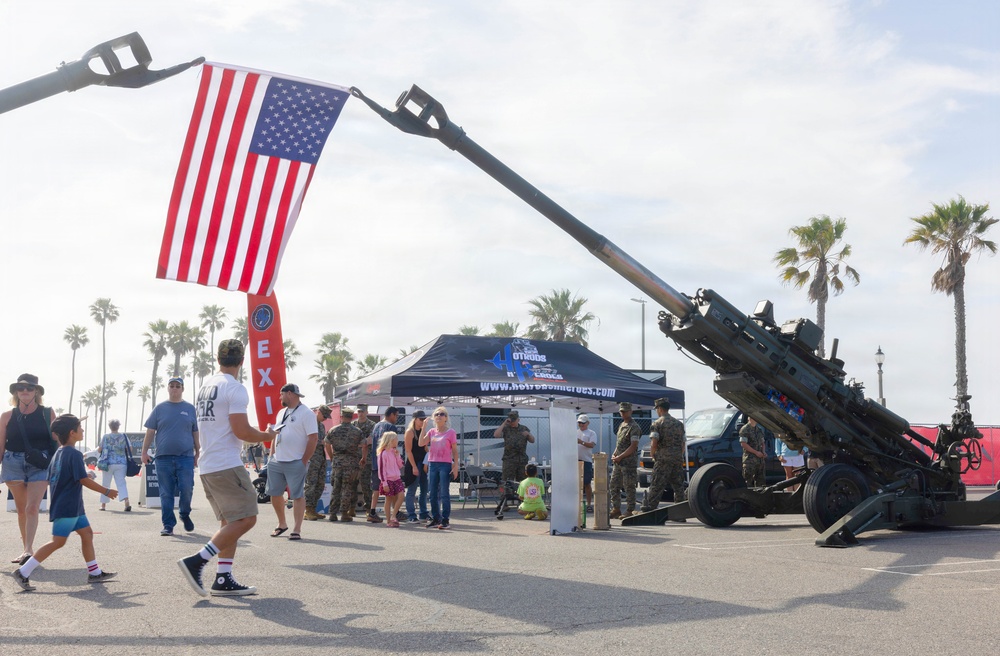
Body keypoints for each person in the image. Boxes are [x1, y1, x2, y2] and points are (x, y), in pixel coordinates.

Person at [177, 339, 275, 597]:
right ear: (242, 362)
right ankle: (197, 561)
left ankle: (223, 577)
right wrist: (267, 436)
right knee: (246, 518)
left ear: (217, 359)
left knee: (229, 521)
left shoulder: (207, 385)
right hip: (226, 463)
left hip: (209, 464)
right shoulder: (235, 389)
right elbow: (241, 431)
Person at [11, 414, 117, 591]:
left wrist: (83, 475)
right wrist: (106, 491)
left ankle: (95, 572)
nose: (82, 430)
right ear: (72, 433)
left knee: (87, 534)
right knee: (57, 542)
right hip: (68, 507)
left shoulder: (58, 454)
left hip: (71, 507)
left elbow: (61, 477)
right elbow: (83, 480)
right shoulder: (74, 454)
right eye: (79, 428)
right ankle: (23, 571)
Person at [0, 374, 59, 565]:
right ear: (16, 392)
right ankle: (28, 548)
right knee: (21, 510)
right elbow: (1, 445)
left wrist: (60, 465)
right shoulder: (6, 416)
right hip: (12, 462)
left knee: (32, 507)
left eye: (29, 388)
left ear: (37, 392)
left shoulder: (47, 413)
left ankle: (27, 551)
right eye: (21, 388)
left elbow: (57, 442)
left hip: (40, 463)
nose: (25, 391)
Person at [141, 376, 199, 537]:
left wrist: (198, 453)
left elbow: (195, 432)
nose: (174, 389)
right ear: (168, 388)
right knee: (166, 493)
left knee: (187, 489)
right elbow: (150, 431)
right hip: (163, 458)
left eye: (177, 386)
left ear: (182, 389)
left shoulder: (189, 408)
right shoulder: (159, 408)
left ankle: (184, 513)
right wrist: (144, 452)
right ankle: (168, 525)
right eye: (172, 386)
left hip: (185, 457)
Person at [266, 383, 318, 541]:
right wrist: (271, 455)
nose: (279, 397)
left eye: (281, 394)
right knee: (274, 494)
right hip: (277, 460)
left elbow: (313, 438)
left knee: (297, 495)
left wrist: (304, 460)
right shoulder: (281, 412)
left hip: (296, 460)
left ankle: (296, 529)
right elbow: (277, 434)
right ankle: (282, 524)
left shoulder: (306, 413)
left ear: (290, 394)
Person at [640, 398, 686, 516]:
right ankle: (680, 513)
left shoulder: (657, 424)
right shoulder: (679, 424)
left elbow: (654, 443)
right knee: (678, 486)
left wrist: (653, 455)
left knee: (657, 484)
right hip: (677, 458)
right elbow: (683, 444)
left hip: (663, 459)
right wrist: (678, 455)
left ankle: (650, 510)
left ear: (660, 409)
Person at [418, 406, 459, 529]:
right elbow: (421, 443)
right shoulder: (431, 432)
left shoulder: (450, 432)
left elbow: (455, 451)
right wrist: (423, 428)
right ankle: (436, 518)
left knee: (444, 493)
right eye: (436, 414)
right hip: (433, 464)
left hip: (445, 464)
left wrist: (455, 465)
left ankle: (445, 519)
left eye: (441, 414)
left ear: (446, 418)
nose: (438, 416)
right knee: (432, 493)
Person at [326, 407, 364, 522]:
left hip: (337, 462)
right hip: (351, 463)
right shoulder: (357, 431)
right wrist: (362, 458)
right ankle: (344, 513)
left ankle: (333, 513)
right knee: (347, 488)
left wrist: (333, 457)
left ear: (341, 417)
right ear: (352, 417)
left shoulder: (333, 430)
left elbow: (327, 444)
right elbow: (363, 445)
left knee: (336, 487)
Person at [366, 406, 400, 523]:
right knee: (393, 488)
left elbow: (371, 442)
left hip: (376, 460)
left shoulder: (376, 426)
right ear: (391, 414)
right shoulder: (391, 427)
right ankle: (396, 512)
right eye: (396, 415)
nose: (396, 418)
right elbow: (393, 445)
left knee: (376, 489)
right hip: (388, 464)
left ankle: (372, 511)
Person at [609, 401, 641, 519]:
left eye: (625, 411)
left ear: (630, 412)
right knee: (614, 484)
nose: (622, 413)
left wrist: (620, 456)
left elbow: (633, 446)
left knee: (629, 486)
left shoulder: (634, 427)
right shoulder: (621, 425)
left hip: (628, 462)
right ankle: (616, 508)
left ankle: (629, 510)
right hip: (618, 461)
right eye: (621, 411)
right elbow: (619, 443)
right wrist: (614, 454)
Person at [304, 405, 333, 521]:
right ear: (319, 412)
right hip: (312, 458)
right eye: (324, 416)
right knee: (311, 484)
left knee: (320, 484)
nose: (325, 419)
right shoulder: (309, 424)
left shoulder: (321, 426)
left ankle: (313, 509)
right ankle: (307, 510)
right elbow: (305, 440)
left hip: (320, 458)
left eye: (327, 417)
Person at [96, 419, 132, 512]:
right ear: (118, 426)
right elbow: (130, 449)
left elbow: (99, 450)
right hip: (121, 463)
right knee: (121, 483)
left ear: (110, 427)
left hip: (107, 463)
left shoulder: (106, 437)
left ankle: (103, 505)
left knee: (106, 483)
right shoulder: (124, 436)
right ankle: (126, 501)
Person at [494, 410, 535, 484]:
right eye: (511, 420)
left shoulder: (524, 428)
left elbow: (532, 441)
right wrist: (504, 423)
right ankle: (507, 495)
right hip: (509, 460)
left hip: (521, 459)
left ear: (518, 420)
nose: (512, 422)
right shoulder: (506, 428)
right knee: (507, 482)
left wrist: (528, 435)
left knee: (523, 482)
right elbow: (496, 435)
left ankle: (521, 495)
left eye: (514, 420)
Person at [403, 410, 429, 524]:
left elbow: (425, 448)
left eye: (424, 419)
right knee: (412, 490)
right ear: (415, 419)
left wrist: (427, 462)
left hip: (423, 462)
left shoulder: (423, 431)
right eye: (420, 419)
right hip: (414, 463)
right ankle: (411, 515)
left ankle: (423, 513)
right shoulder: (410, 432)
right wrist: (414, 467)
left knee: (424, 489)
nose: (422, 421)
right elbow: (408, 451)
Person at [351, 403, 375, 517]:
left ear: (366, 412)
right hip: (353, 459)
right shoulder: (353, 424)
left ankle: (369, 509)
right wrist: (362, 442)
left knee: (366, 485)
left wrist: (359, 443)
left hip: (367, 459)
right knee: (352, 484)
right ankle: (351, 508)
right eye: (359, 411)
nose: (360, 413)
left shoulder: (371, 425)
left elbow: (369, 441)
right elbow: (350, 442)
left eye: (362, 411)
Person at [377, 431, 405, 527]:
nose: (397, 441)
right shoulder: (383, 453)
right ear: (390, 440)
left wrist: (398, 456)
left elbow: (400, 465)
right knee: (388, 499)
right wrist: (384, 483)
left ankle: (394, 515)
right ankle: (389, 521)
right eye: (395, 439)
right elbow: (381, 469)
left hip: (396, 478)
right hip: (388, 480)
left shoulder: (395, 452)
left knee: (401, 496)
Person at [739, 416, 768, 488]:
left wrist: (763, 451)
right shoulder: (745, 429)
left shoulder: (759, 429)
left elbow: (762, 442)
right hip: (750, 460)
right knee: (747, 482)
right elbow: (743, 444)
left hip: (760, 461)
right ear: (750, 418)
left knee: (761, 483)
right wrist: (756, 452)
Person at [576, 414, 597, 511]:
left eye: (583, 423)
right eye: (579, 423)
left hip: (586, 461)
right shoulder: (575, 432)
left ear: (588, 423)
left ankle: (589, 504)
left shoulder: (592, 433)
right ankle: (577, 504)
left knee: (587, 483)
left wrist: (581, 442)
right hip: (575, 460)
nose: (581, 425)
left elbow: (592, 445)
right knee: (576, 484)